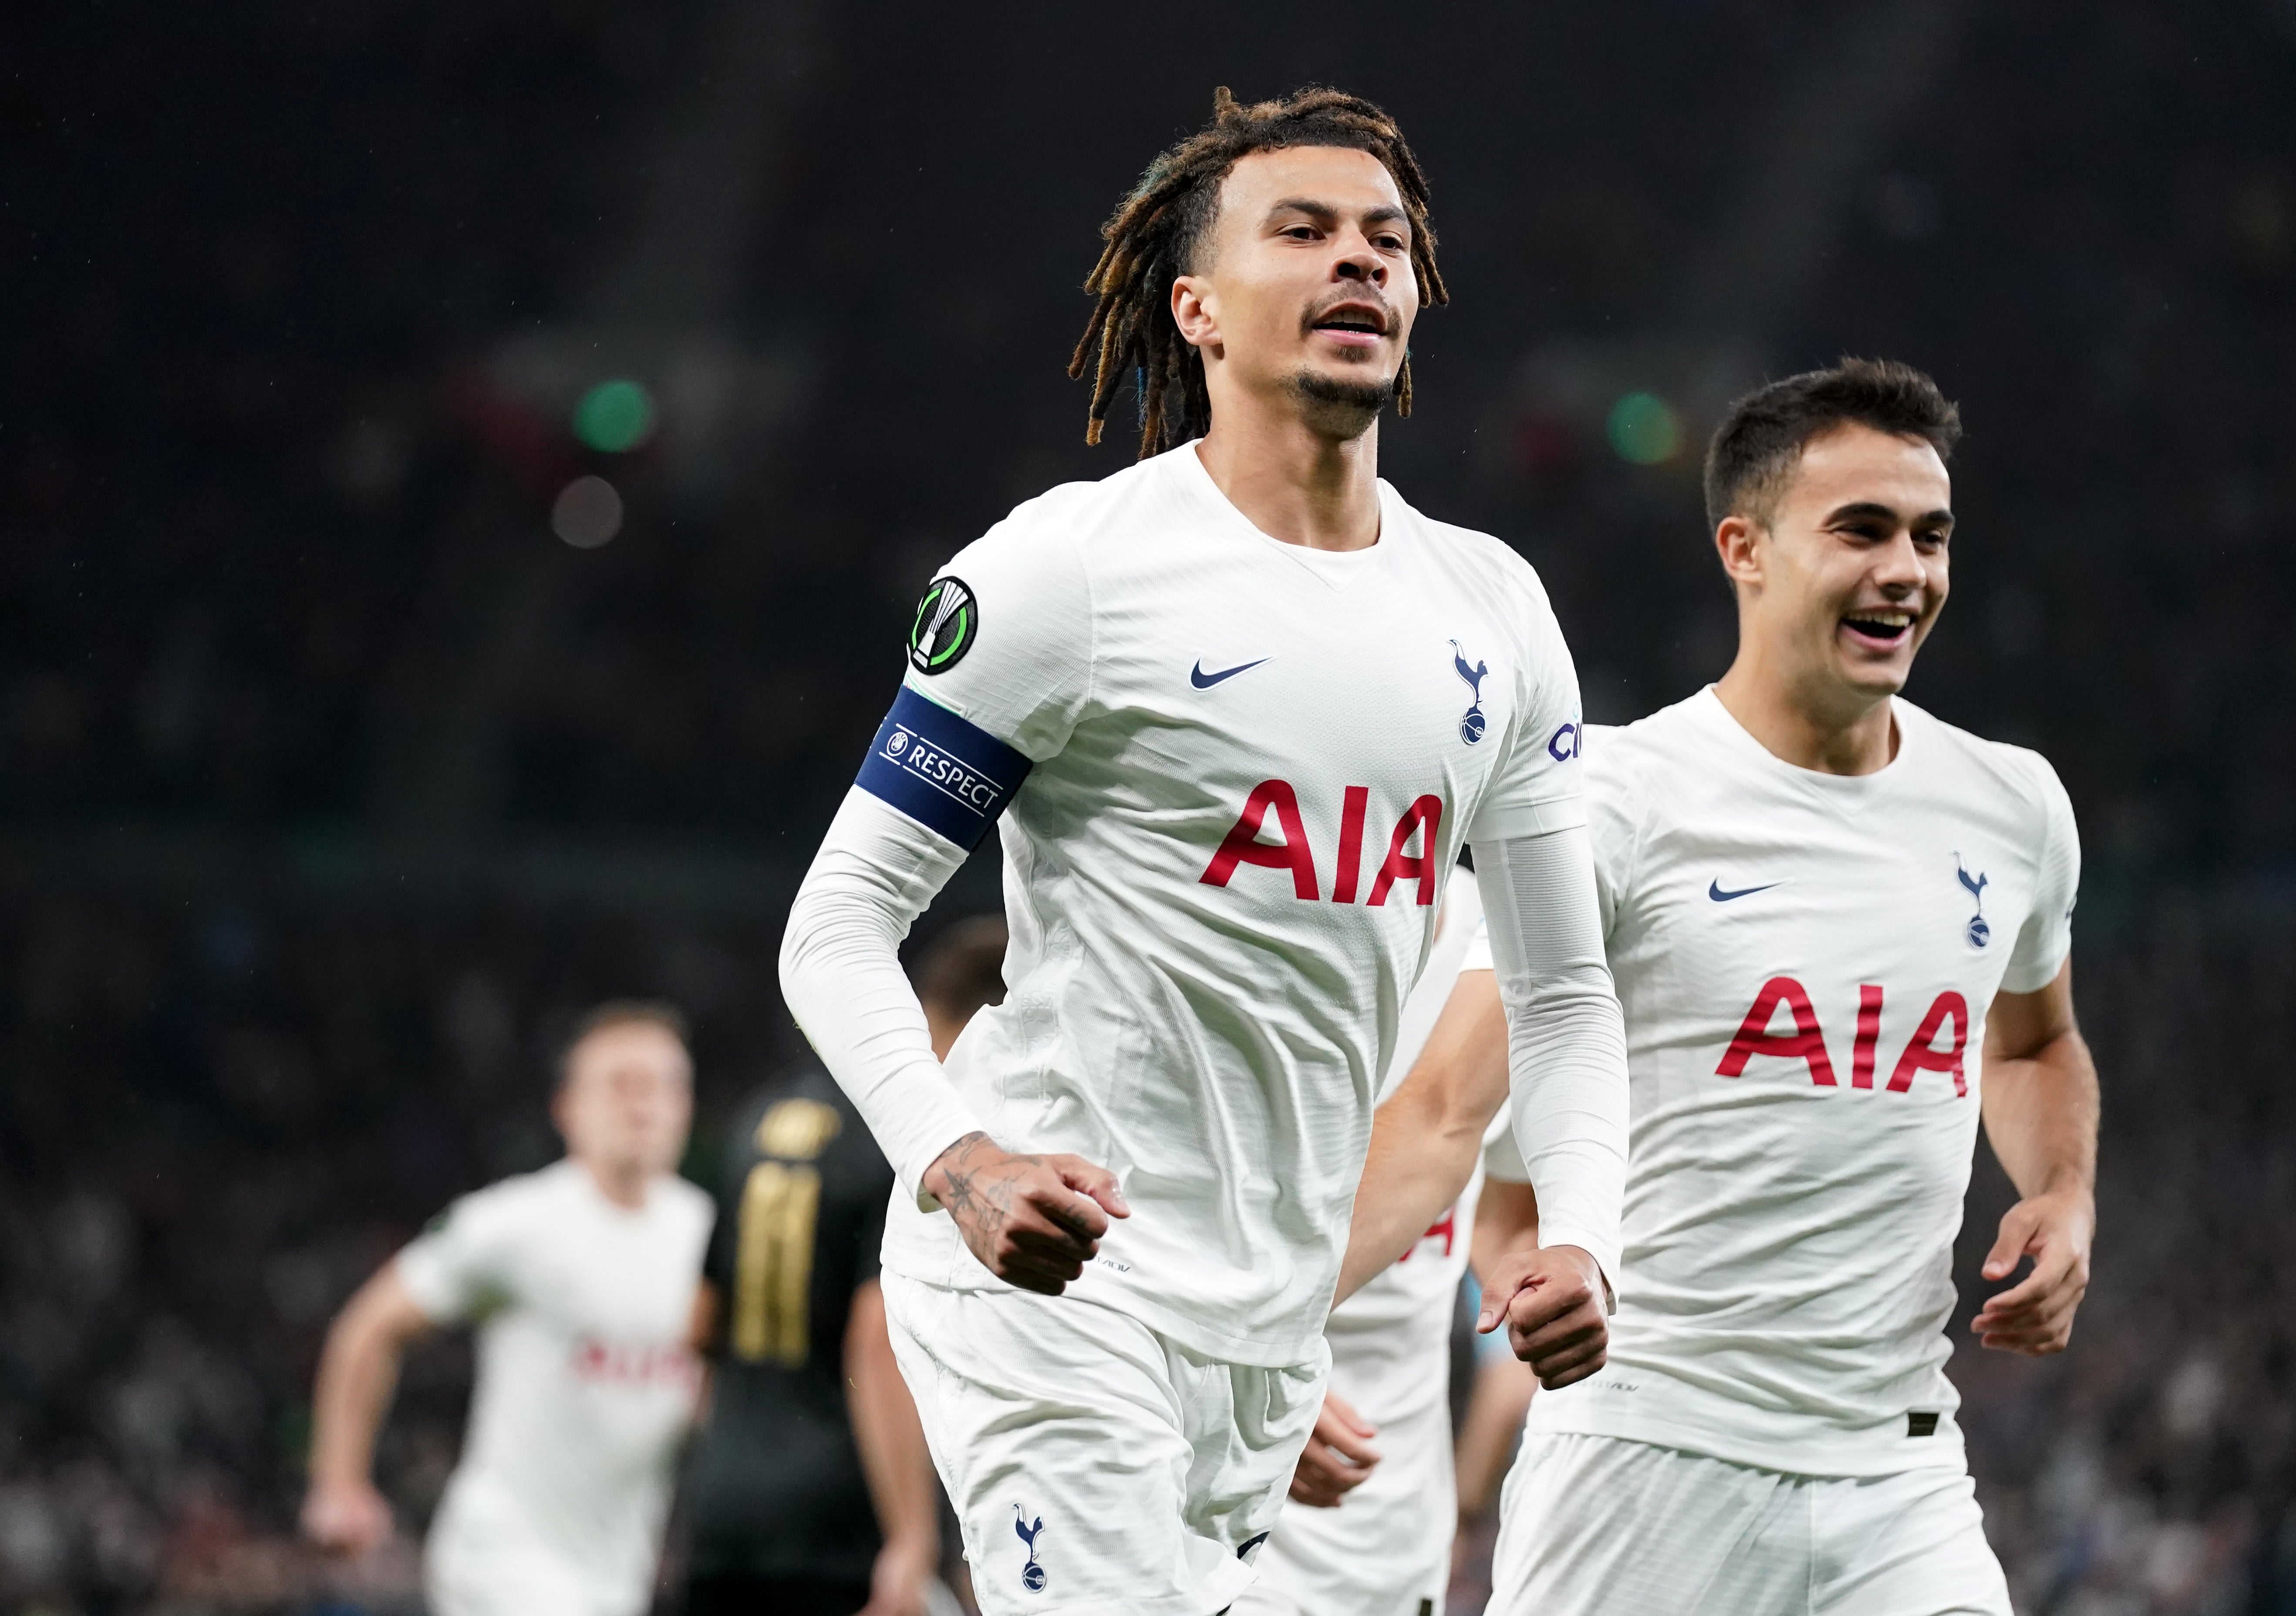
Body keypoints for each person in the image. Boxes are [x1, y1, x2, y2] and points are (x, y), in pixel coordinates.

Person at [778, 85, 1628, 1616]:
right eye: (1300, 232)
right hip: (1056, 1284)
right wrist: (955, 1160)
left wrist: (1580, 1233)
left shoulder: (1495, 611)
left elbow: (1561, 993)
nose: (1357, 263)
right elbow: (836, 922)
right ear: (1196, 308)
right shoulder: (1070, 572)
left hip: (1270, 1331)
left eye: (1386, 241)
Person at [1351, 358, 2097, 1616]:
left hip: (1899, 1479)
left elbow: (2030, 1047)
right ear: (1743, 548)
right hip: (1648, 1473)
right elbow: (1442, 1116)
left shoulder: (2013, 804)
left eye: (1930, 536)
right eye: (1859, 530)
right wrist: (1249, 1353)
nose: (1905, 571)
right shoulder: (1610, 803)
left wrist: (2064, 1196)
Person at [301, 1002, 714, 1616]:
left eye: (664, 1085)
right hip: (503, 1564)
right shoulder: (514, 1224)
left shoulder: (707, 1233)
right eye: (620, 1084)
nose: (643, 1103)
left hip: (617, 1575)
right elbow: (370, 1326)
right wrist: (338, 1484)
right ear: (567, 1109)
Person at [680, 918, 1008, 1616]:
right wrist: (912, 1537)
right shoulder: (910, 1142)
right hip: (843, 1520)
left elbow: (701, 1326)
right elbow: (875, 1344)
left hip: (724, 1514)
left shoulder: (761, 1115)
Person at [1234, 881, 1522, 1616]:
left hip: (1394, 1534)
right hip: (1202, 1485)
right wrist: (1247, 1366)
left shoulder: (1508, 935)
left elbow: (1509, 1220)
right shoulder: (1223, 921)